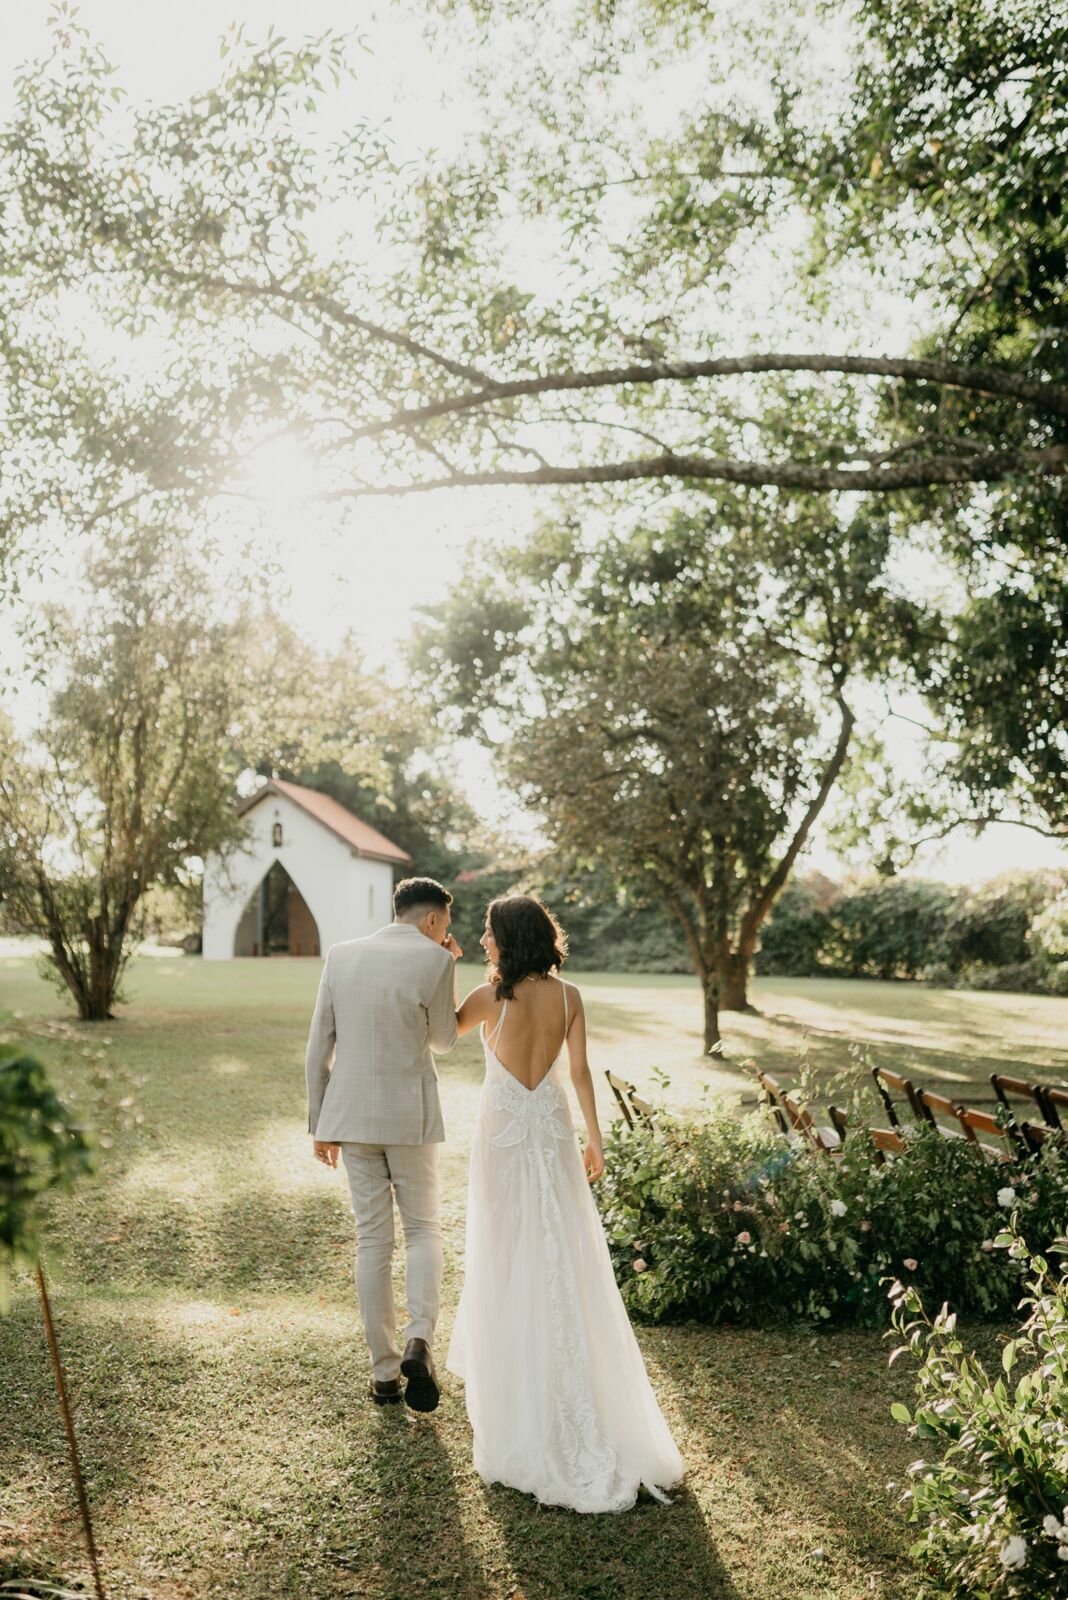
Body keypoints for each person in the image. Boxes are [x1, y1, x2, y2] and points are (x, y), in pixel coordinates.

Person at [446, 893, 684, 1512]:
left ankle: (520, 1393)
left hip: (501, 1135)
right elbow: (579, 1074)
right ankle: (566, 1378)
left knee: (505, 1254)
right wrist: (596, 1140)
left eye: (488, 933)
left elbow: (437, 1033)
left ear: (510, 937)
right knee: (566, 1254)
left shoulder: (487, 997)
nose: (481, 943)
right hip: (551, 1132)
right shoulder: (571, 996)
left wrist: (437, 965)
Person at [305, 875, 462, 1410]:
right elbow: (443, 1041)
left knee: (372, 1240)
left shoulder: (342, 954)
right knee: (422, 1230)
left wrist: (320, 1122)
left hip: (350, 1118)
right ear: (434, 919)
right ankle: (420, 1339)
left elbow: (317, 1046)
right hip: (411, 1119)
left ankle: (384, 1375)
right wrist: (447, 967)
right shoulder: (437, 961)